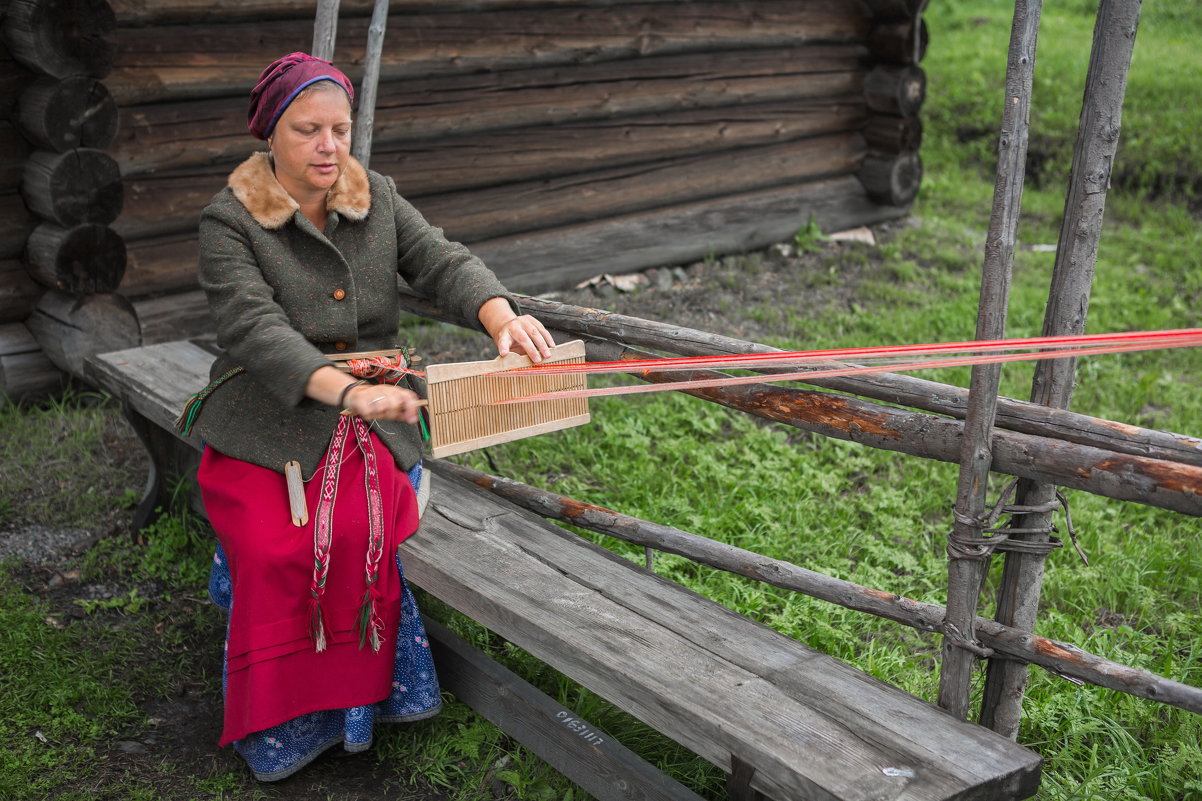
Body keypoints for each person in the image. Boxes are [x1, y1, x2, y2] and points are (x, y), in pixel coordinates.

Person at [185, 52, 555, 781]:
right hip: (268, 412)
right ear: (270, 134)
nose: (328, 146)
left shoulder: (374, 195)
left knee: (359, 526)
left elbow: (441, 260)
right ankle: (287, 723)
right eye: (307, 130)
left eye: (339, 129)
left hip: (374, 415)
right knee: (273, 545)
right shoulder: (228, 220)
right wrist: (342, 391)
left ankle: (368, 704)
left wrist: (499, 315)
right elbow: (255, 329)